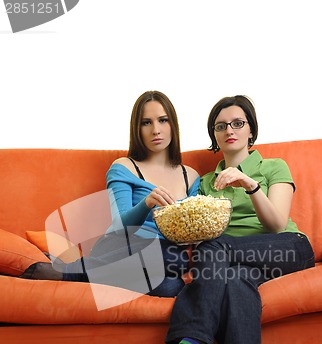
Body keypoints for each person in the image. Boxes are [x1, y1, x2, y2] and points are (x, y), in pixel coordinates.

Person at [145, 95, 315, 344]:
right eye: (221, 126)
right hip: (234, 262)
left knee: (216, 245)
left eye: (238, 123)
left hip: (286, 249)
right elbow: (196, 227)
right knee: (235, 283)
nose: (229, 130)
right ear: (215, 135)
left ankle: (194, 340)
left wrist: (250, 185)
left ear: (251, 130)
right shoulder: (208, 182)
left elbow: (278, 224)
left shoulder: (273, 167)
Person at [20, 91, 200, 297]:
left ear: (173, 124)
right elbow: (118, 227)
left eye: (163, 120)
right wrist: (147, 203)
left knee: (172, 284)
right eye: (146, 123)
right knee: (171, 259)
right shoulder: (124, 167)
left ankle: (72, 270)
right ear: (137, 129)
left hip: (165, 257)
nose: (156, 130)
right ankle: (72, 272)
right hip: (122, 247)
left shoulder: (191, 177)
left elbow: (192, 231)